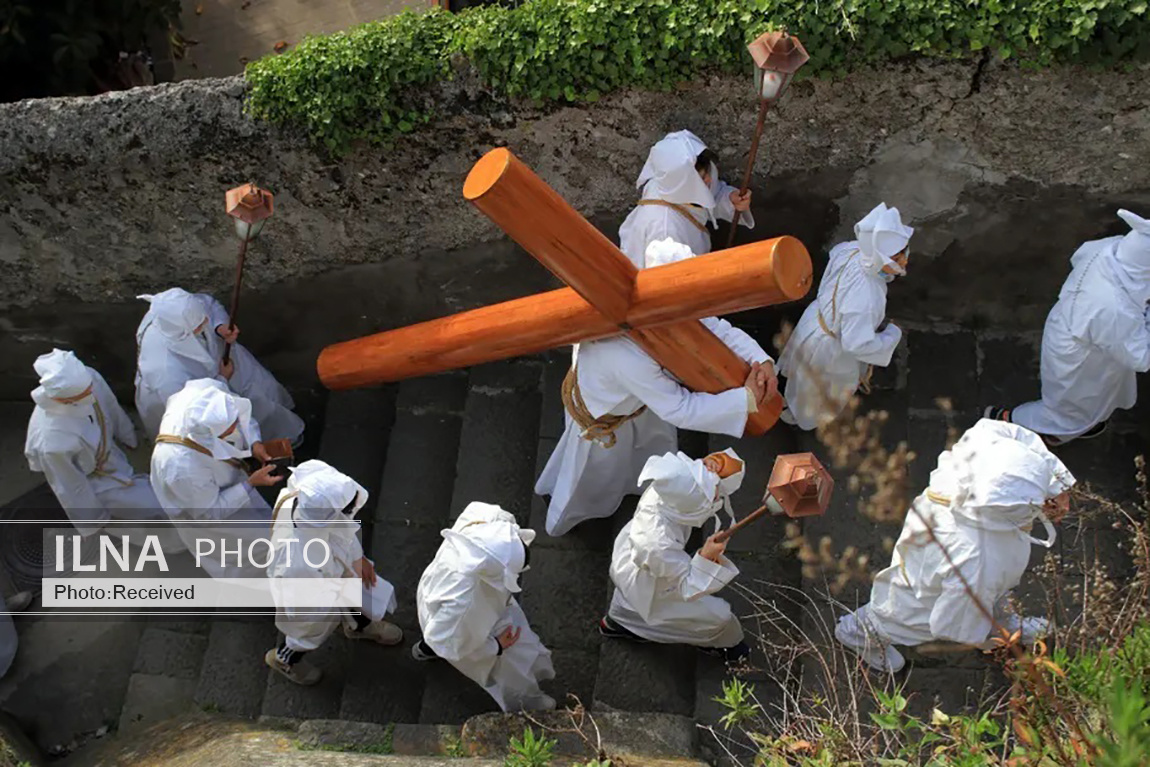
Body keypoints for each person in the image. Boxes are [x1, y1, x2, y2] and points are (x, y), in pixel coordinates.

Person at [535, 238, 777, 537]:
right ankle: (573, 515)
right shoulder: (624, 354)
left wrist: (760, 360)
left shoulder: (660, 303)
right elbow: (680, 408)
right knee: (595, 476)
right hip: (604, 418)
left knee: (646, 447)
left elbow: (714, 327)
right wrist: (746, 399)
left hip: (637, 403)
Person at [835, 419, 1075, 673]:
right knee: (900, 616)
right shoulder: (976, 560)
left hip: (942, 556)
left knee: (991, 594)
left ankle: (1001, 624)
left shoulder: (979, 456)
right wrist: (985, 636)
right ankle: (858, 633)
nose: (1047, 504)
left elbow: (1004, 431)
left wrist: (1056, 483)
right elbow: (954, 624)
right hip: (930, 598)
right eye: (1037, 502)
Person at [986, 209, 1150, 446]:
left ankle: (1085, 422)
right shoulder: (1111, 308)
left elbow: (1079, 257)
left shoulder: (1112, 249)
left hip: (1085, 334)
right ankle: (1014, 421)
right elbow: (1142, 358)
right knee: (1071, 407)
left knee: (1098, 395)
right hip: (1082, 356)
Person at [600, 448, 751, 663]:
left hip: (641, 563)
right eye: (713, 494)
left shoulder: (672, 487)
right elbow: (689, 586)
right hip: (652, 576)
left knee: (632, 597)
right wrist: (706, 557)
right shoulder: (657, 544)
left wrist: (716, 463)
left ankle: (618, 621)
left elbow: (726, 474)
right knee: (718, 617)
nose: (718, 493)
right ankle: (723, 643)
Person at [777, 203, 913, 431]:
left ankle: (792, 405)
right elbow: (856, 344)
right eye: (897, 258)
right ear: (880, 259)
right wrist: (892, 335)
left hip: (816, 322)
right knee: (819, 391)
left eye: (904, 253)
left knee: (802, 376)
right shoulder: (867, 297)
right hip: (832, 350)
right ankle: (802, 418)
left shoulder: (851, 250)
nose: (905, 262)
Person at [265, 460, 402, 686]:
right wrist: (337, 589)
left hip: (334, 574)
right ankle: (285, 658)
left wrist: (358, 558)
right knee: (308, 634)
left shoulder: (307, 500)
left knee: (355, 596)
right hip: (313, 599)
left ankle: (360, 625)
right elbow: (306, 603)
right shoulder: (295, 563)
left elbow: (342, 528)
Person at [412, 502, 555, 713]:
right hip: (467, 625)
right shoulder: (463, 602)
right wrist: (494, 646)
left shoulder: (475, 532)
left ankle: (425, 649)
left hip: (432, 596)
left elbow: (491, 512)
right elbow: (443, 639)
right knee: (514, 666)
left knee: (434, 626)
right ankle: (527, 705)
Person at [25, 349, 175, 542]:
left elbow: (110, 405)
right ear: (60, 399)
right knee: (151, 508)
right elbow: (70, 484)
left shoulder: (88, 378)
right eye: (83, 394)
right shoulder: (52, 442)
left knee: (158, 501)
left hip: (107, 455)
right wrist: (94, 519)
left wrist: (127, 434)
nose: (91, 394)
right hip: (97, 480)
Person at [135, 287, 304, 445]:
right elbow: (191, 407)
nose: (206, 322)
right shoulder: (165, 371)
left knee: (264, 391)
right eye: (199, 325)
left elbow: (209, 304)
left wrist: (219, 326)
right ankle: (267, 445)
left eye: (204, 319)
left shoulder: (181, 308)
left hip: (226, 362)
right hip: (208, 395)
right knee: (240, 422)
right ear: (181, 333)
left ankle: (285, 430)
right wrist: (221, 380)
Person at [150, 378, 283, 578]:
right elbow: (209, 513)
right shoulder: (181, 469)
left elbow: (238, 415)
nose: (237, 431)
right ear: (208, 436)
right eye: (230, 432)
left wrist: (253, 441)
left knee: (267, 529)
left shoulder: (207, 392)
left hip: (223, 481)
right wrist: (250, 484)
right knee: (247, 549)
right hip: (205, 509)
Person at [618, 129, 754, 267]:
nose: (709, 179)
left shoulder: (673, 183)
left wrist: (730, 199)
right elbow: (673, 276)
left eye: (707, 172)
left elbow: (710, 195)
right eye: (702, 179)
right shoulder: (664, 233)